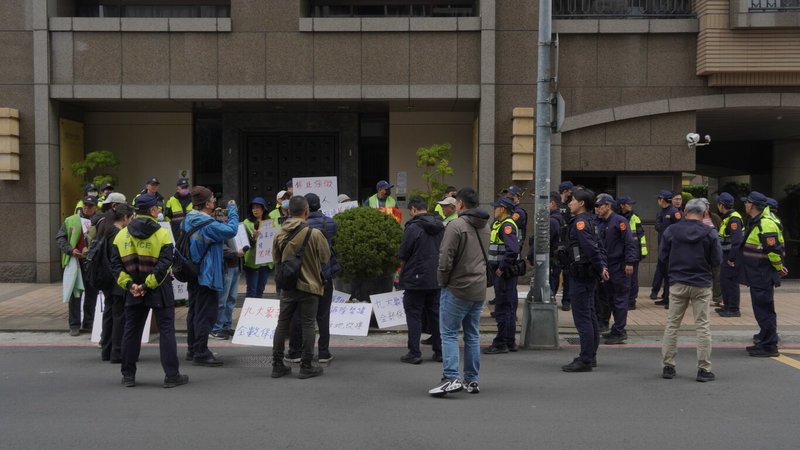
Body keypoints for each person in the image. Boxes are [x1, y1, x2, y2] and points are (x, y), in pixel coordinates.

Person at [109, 193, 188, 388]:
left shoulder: (121, 235)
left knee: (131, 331)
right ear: (152, 210)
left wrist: (131, 286)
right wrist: (147, 285)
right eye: (157, 208)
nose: (159, 210)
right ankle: (171, 376)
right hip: (159, 289)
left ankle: (128, 375)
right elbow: (165, 263)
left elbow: (115, 266)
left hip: (133, 290)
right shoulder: (162, 233)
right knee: (166, 331)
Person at [429, 188, 490, 397]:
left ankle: (451, 377)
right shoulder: (485, 225)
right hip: (478, 287)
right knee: (472, 334)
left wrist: (442, 281)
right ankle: (472, 380)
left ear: (460, 204)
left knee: (448, 333)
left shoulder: (456, 226)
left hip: (457, 286)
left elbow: (445, 258)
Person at [659, 198, 722, 382]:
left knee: (672, 324)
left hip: (678, 281)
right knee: (702, 326)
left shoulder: (671, 230)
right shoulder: (710, 232)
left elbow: (662, 256)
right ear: (704, 214)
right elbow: (717, 260)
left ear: (685, 212)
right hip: (701, 283)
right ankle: (703, 369)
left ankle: (668, 366)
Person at [270, 196, 331, 380]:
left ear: (288, 211)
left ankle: (277, 364)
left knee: (282, 324)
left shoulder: (280, 233)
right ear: (306, 212)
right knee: (308, 324)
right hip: (310, 286)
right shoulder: (315, 233)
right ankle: (306, 365)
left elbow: (276, 260)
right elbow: (325, 258)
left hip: (287, 286)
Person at [183, 187, 239, 367]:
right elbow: (231, 230)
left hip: (192, 270)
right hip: (207, 274)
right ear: (207, 203)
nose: (214, 201)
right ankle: (201, 353)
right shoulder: (208, 225)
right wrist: (232, 210)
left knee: (194, 311)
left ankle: (193, 349)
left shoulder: (189, 219)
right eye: (213, 199)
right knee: (205, 314)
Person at [286, 193, 340, 364]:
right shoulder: (330, 223)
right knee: (323, 315)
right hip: (325, 275)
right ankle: (323, 352)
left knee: (299, 315)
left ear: (306, 208)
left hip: (304, 275)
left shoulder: (299, 226)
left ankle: (296, 351)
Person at [561, 189, 609, 373]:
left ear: (581, 203)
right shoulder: (591, 221)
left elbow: (590, 247)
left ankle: (586, 359)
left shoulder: (580, 223)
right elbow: (600, 247)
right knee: (590, 315)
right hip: (588, 274)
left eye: (573, 200)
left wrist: (601, 266)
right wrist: (602, 266)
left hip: (581, 275)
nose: (570, 203)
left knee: (583, 318)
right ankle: (590, 355)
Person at [739, 191, 788, 357]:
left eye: (747, 202)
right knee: (762, 309)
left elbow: (773, 251)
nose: (745, 205)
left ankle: (769, 346)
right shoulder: (757, 221)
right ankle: (765, 341)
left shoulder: (765, 223)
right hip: (757, 273)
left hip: (762, 274)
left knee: (764, 310)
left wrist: (779, 267)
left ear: (752, 205)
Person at [396, 196, 444, 365]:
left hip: (415, 278)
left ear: (414, 209)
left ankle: (414, 353)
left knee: (414, 315)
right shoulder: (441, 226)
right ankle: (440, 352)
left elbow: (403, 252)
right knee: (435, 315)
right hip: (436, 278)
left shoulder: (413, 227)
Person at [594, 194, 637, 345]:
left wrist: (629, 262)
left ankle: (619, 331)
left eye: (600, 206)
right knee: (611, 299)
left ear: (608, 206)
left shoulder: (620, 221)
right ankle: (617, 329)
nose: (597, 209)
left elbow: (629, 242)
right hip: (607, 265)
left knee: (620, 299)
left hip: (619, 265)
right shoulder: (601, 222)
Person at [56, 194, 100, 336]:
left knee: (91, 295)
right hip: (75, 263)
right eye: (85, 205)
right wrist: (70, 250)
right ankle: (74, 325)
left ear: (95, 208)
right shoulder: (71, 220)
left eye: (90, 206)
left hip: (92, 264)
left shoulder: (99, 221)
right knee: (75, 295)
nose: (87, 208)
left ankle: (88, 322)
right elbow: (60, 238)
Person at [483, 196, 521, 355]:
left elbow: (512, 250)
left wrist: (501, 268)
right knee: (508, 307)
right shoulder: (501, 224)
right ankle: (509, 341)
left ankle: (501, 343)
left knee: (503, 307)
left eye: (496, 207)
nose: (494, 210)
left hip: (504, 273)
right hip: (504, 273)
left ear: (503, 209)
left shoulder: (507, 225)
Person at [97, 203, 134, 363]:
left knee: (109, 314)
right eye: (131, 218)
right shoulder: (119, 234)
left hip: (106, 279)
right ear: (125, 217)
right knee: (119, 316)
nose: (131, 222)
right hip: (117, 280)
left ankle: (106, 351)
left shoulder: (106, 230)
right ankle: (117, 353)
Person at [209, 207, 243, 340]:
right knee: (222, 300)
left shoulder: (235, 227)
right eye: (220, 212)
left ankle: (226, 326)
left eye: (225, 212)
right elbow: (221, 249)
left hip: (236, 267)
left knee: (232, 299)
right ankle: (216, 328)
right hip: (226, 268)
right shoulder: (216, 227)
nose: (222, 215)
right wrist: (235, 253)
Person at [651, 190, 682, 307]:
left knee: (671, 274)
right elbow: (657, 226)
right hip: (662, 247)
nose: (657, 201)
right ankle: (665, 297)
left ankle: (671, 300)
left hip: (672, 249)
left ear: (662, 200)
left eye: (658, 199)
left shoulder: (674, 212)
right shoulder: (660, 212)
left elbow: (680, 228)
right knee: (664, 273)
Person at [715, 193, 744, 317]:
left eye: (718, 203)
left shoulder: (734, 219)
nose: (717, 206)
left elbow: (736, 241)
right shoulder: (727, 218)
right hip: (726, 255)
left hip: (731, 256)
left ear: (722, 205)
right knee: (724, 281)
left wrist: (732, 258)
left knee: (731, 282)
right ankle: (727, 306)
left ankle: (733, 309)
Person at [617, 196, 647, 310]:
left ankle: (631, 301)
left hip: (633, 252)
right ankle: (621, 300)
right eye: (628, 204)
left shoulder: (635, 217)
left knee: (632, 279)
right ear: (622, 205)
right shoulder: (615, 217)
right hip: (619, 253)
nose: (631, 206)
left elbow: (641, 236)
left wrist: (643, 252)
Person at [242, 197, 272, 299]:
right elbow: (246, 242)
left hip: (266, 262)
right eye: (253, 208)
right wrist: (254, 237)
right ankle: (249, 309)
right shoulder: (247, 222)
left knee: (260, 291)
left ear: (263, 209)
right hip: (252, 261)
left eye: (258, 207)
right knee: (252, 291)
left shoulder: (269, 222)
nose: (255, 210)